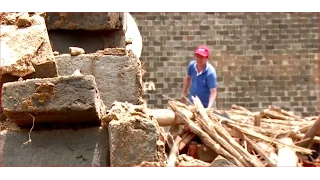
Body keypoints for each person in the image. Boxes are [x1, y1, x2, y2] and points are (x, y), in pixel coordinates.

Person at [181, 45, 218, 109]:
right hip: (193, 104)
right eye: (197, 56)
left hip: (206, 105)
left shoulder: (210, 72)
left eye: (201, 57)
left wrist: (208, 108)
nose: (198, 59)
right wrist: (184, 93)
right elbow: (187, 79)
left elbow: (213, 92)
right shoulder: (192, 66)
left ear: (207, 58)